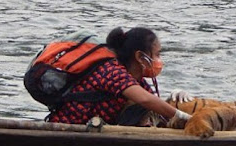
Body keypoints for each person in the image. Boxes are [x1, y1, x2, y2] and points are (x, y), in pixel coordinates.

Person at [46, 27, 191, 127]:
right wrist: (186, 117)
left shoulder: (138, 82)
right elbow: (145, 99)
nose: (160, 60)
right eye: (157, 54)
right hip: (68, 128)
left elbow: (155, 107)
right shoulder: (112, 71)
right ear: (140, 57)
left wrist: (176, 98)